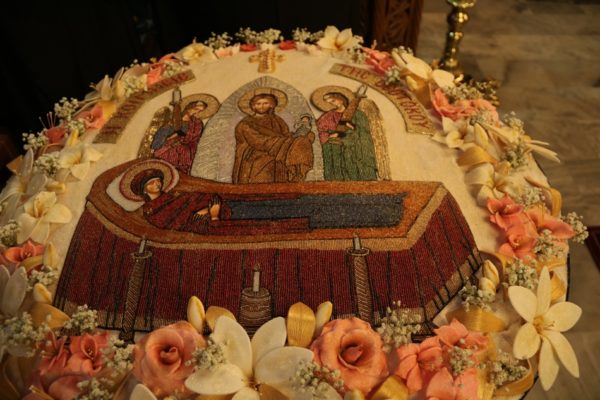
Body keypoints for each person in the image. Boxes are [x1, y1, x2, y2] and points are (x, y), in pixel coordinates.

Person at [232, 93, 313, 184]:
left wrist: (300, 136)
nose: (262, 106)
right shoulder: (246, 123)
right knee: (267, 165)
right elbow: (257, 141)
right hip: (255, 156)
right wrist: (283, 142)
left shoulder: (277, 120)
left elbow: (285, 135)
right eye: (258, 104)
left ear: (271, 105)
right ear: (253, 106)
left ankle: (296, 176)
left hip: (277, 151)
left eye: (265, 103)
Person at [316, 92, 378, 181]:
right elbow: (319, 129)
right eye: (329, 102)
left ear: (341, 99)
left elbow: (363, 131)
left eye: (333, 101)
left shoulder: (357, 114)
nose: (332, 104)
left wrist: (351, 128)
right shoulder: (328, 115)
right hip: (332, 145)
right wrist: (328, 135)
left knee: (350, 155)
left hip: (352, 143)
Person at [152, 101, 207, 174]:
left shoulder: (196, 122)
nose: (196, 112)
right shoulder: (175, 118)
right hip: (171, 143)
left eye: (200, 111)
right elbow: (164, 131)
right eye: (196, 109)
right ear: (189, 107)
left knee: (185, 151)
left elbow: (196, 136)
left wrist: (183, 137)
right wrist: (171, 137)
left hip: (188, 145)